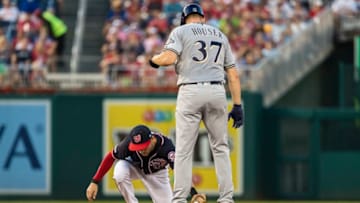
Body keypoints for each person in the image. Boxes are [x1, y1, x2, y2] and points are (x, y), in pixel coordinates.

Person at [149, 3, 244, 203]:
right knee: (220, 147)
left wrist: (153, 59)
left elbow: (168, 58)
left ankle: (180, 199)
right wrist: (237, 105)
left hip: (191, 90)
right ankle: (226, 199)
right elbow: (233, 75)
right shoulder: (219, 35)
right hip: (217, 90)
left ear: (184, 19)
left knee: (183, 150)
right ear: (202, 17)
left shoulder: (181, 31)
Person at [85, 124, 175, 202]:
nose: (140, 150)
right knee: (120, 173)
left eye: (143, 146)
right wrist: (95, 181)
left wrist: (189, 190)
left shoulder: (166, 147)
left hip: (156, 173)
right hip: (134, 167)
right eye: (137, 147)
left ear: (152, 139)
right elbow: (110, 157)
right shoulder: (126, 144)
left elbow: (179, 170)